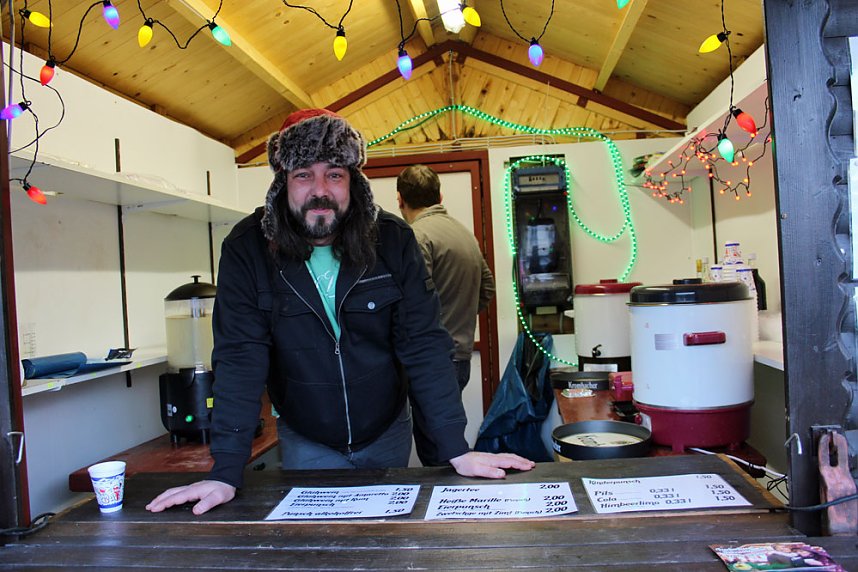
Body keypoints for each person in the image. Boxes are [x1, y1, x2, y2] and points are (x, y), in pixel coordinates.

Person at [146, 108, 534, 516]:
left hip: (386, 431)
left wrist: (455, 448)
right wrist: (225, 471)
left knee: (388, 544)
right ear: (282, 183)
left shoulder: (393, 240)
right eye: (303, 175)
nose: (320, 190)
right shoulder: (246, 249)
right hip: (307, 439)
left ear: (353, 181)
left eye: (334, 173)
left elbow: (422, 345)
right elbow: (240, 358)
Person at [396, 164, 495, 392]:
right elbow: (487, 289)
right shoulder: (465, 233)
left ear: (400, 199)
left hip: (430, 361)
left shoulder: (417, 236)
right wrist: (458, 315)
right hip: (461, 359)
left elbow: (415, 301)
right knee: (448, 425)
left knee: (426, 427)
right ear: (440, 196)